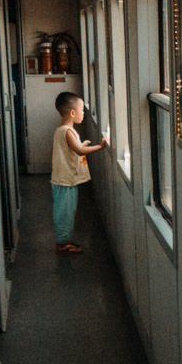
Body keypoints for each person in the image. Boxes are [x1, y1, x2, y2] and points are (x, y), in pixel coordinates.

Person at [50, 92, 106, 252]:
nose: (83, 113)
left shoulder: (60, 130)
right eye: (82, 110)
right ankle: (62, 243)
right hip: (64, 180)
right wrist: (100, 147)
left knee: (67, 210)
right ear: (72, 113)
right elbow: (80, 151)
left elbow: (65, 149)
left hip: (64, 178)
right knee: (65, 212)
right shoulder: (68, 131)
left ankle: (65, 239)